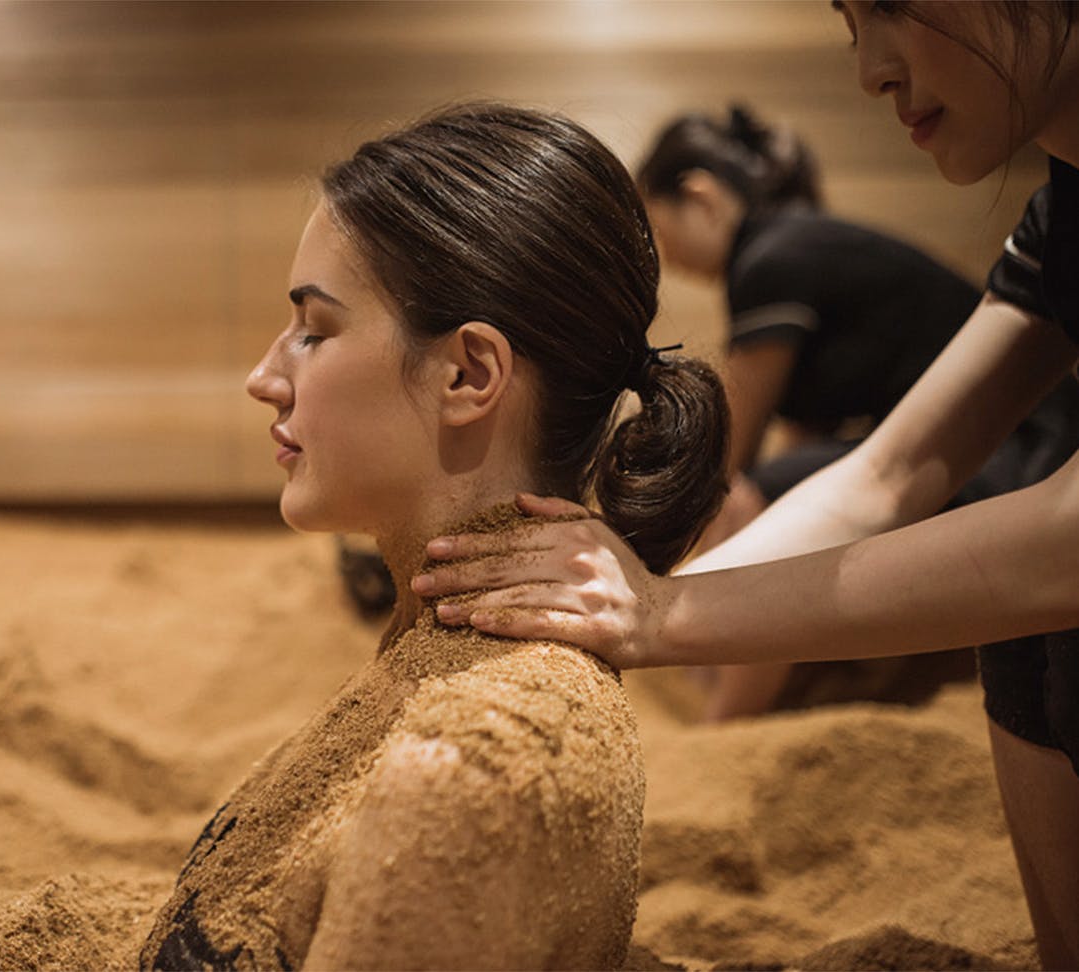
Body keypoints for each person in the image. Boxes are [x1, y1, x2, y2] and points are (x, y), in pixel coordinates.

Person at [414, 4, 1079, 968]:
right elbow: (884, 472)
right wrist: (628, 609)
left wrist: (664, 612)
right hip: (1009, 497)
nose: (870, 71)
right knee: (1024, 641)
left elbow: (1061, 535)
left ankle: (737, 717)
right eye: (850, 25)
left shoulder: (777, 258)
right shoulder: (1060, 214)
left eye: (888, 6)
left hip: (1023, 493)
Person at [137, 102, 731, 970]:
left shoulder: (473, 773)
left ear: (467, 373)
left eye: (315, 330)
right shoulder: (427, 658)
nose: (265, 376)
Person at [636, 104, 1079, 720]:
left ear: (701, 198)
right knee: (762, 496)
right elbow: (804, 445)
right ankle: (733, 687)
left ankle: (727, 719)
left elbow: (724, 459)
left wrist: (648, 580)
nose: (668, 253)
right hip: (1000, 441)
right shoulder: (801, 241)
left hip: (1024, 448)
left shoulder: (769, 259)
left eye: (660, 229)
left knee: (740, 498)